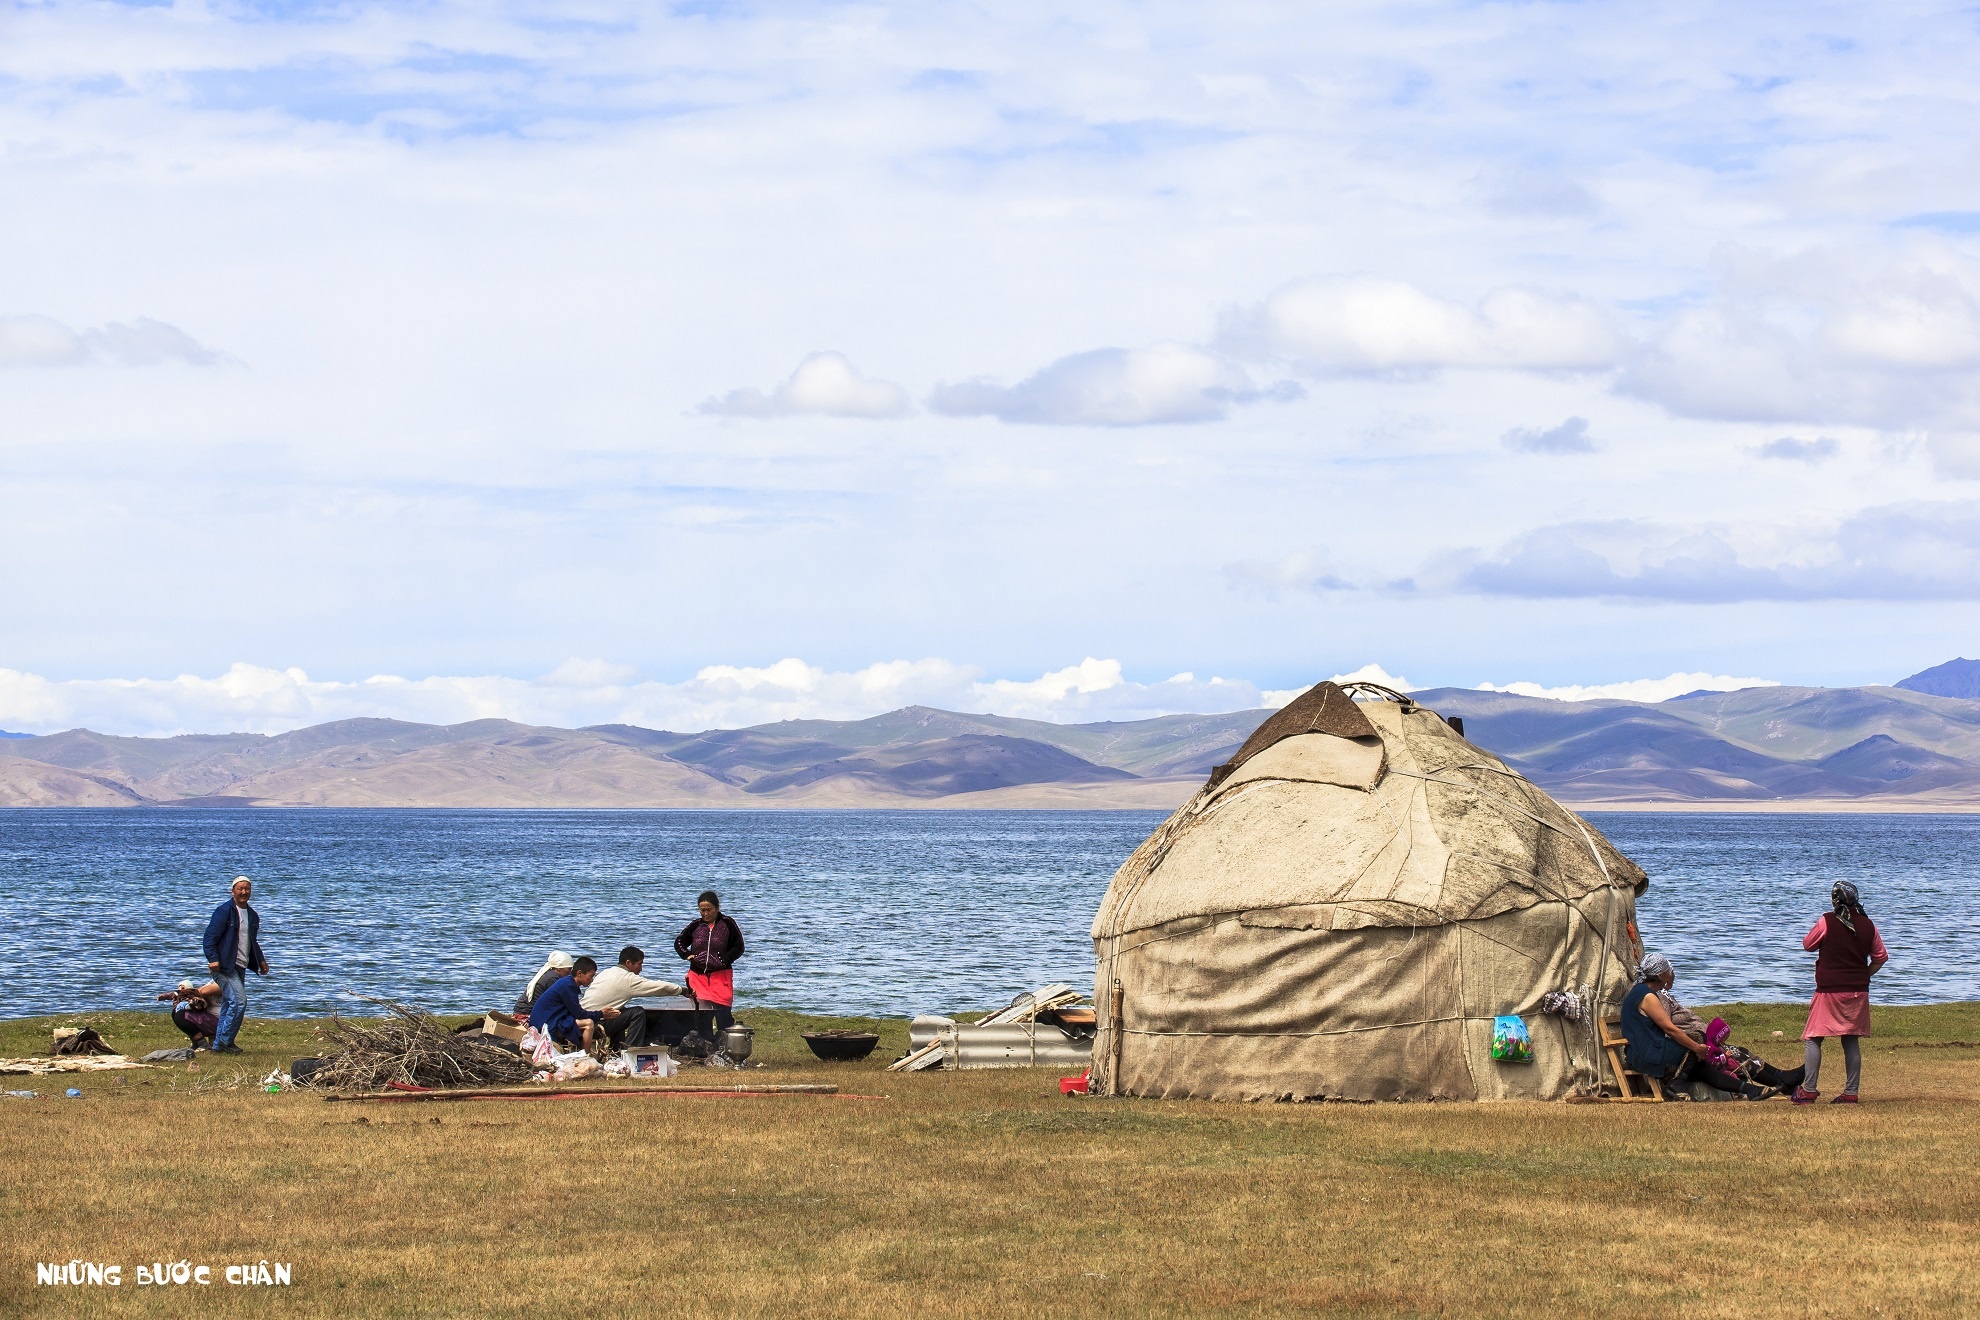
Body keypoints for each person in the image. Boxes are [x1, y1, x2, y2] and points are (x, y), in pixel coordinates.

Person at [1619, 954, 1774, 1100]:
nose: (1670, 973)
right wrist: (1697, 1048)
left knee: (1702, 1069)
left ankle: (1749, 1090)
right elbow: (1669, 1029)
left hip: (1650, 1050)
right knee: (1699, 1037)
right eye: (1668, 971)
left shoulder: (1640, 992)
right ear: (1659, 975)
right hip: (1647, 1053)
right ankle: (1676, 1082)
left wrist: (1696, 1049)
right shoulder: (1647, 996)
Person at [1795, 881, 1888, 1105]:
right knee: (1850, 1039)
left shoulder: (1827, 921)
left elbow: (1808, 944)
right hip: (1858, 991)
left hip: (1829, 991)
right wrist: (1864, 974)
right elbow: (1881, 957)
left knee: (1813, 1037)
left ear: (1835, 900)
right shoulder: (1868, 925)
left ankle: (1808, 1089)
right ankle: (1851, 1092)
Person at [201, 875, 269, 1055]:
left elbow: (252, 941)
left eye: (247, 888)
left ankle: (218, 1046)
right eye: (240, 888)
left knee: (229, 1003)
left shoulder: (253, 915)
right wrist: (213, 959)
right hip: (223, 966)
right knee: (239, 1001)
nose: (244, 892)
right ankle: (225, 1042)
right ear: (233, 891)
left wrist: (260, 960)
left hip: (240, 965)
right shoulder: (224, 911)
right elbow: (209, 938)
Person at [580, 946, 688, 1049]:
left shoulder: (606, 972)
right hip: (594, 1026)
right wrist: (683, 990)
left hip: (580, 1022)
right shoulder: (628, 979)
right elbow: (659, 987)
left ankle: (616, 1051)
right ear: (628, 963)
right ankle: (631, 1051)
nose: (641, 969)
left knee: (620, 1013)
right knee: (637, 1012)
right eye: (639, 964)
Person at [675, 891, 746, 1041]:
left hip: (721, 976)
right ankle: (705, 1047)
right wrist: (687, 955)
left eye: (709, 909)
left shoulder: (727, 923)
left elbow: (739, 946)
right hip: (698, 977)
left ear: (717, 907)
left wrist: (725, 960)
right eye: (702, 910)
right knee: (701, 1016)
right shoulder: (696, 925)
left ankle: (725, 1047)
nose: (705, 913)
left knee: (724, 1015)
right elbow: (679, 942)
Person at [528, 955, 618, 1051]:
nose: (592, 980)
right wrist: (601, 1014)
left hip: (547, 1021)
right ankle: (584, 1056)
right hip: (545, 1025)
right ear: (579, 973)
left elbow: (574, 1011)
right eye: (591, 976)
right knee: (588, 1024)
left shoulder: (568, 983)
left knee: (582, 1022)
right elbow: (578, 1013)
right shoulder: (568, 985)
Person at [157, 978, 222, 1050]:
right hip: (211, 1019)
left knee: (180, 1015)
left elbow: (203, 992)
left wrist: (188, 994)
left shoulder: (224, 981)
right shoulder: (215, 979)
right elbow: (197, 992)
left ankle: (203, 1044)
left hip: (219, 1023)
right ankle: (197, 1043)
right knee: (179, 1012)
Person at [514, 951, 575, 1019]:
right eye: (569, 969)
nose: (570, 973)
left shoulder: (549, 974)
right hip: (526, 1013)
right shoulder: (552, 978)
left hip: (522, 1010)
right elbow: (561, 1000)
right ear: (559, 968)